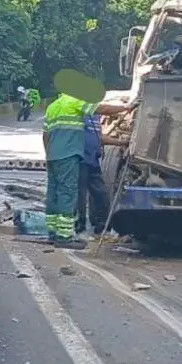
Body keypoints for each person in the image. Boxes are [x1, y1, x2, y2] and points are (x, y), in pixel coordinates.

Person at [44, 93, 134, 248]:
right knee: (68, 194)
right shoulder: (75, 102)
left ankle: (53, 232)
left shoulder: (52, 107)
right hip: (72, 156)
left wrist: (49, 155)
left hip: (57, 156)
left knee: (54, 193)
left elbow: (45, 135)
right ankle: (65, 236)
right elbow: (103, 109)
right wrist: (127, 107)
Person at [75, 112, 108, 237]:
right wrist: (128, 107)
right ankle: (79, 225)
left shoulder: (96, 118)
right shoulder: (79, 114)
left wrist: (121, 142)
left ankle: (101, 224)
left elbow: (99, 138)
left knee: (101, 192)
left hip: (93, 161)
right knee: (80, 195)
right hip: (80, 160)